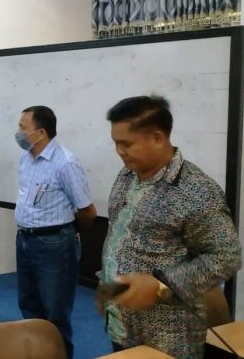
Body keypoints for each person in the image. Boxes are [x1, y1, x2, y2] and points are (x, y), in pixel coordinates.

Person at [99, 95, 241, 359]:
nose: (119, 151)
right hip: (122, 322)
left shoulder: (196, 191)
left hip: (168, 335)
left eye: (126, 144)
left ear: (157, 138)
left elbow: (226, 257)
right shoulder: (127, 174)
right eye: (115, 143)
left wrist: (160, 286)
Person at [13, 105, 96, 359]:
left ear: (40, 132)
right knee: (29, 305)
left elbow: (87, 211)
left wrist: (67, 233)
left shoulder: (65, 163)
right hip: (25, 239)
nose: (18, 132)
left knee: (55, 313)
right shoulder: (26, 158)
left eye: (23, 127)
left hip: (54, 244)